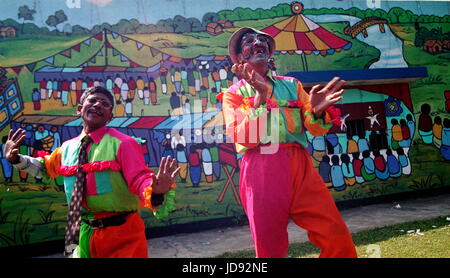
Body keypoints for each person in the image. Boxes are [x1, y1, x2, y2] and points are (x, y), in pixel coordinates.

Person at [221, 27, 356, 258]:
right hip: (260, 169)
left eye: (262, 40)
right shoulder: (233, 94)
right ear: (240, 56)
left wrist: (316, 111)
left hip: (300, 166)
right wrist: (260, 98)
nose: (257, 43)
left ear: (270, 52)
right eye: (249, 41)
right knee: (269, 246)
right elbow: (244, 139)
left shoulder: (292, 85)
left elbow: (314, 129)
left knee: (334, 232)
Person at [4, 86, 180, 258]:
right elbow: (45, 168)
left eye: (104, 104)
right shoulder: (67, 148)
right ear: (80, 109)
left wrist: (155, 191)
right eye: (93, 100)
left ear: (110, 117)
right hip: (82, 233)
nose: (97, 105)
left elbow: (139, 178)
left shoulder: (123, 144)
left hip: (122, 235)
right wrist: (16, 159)